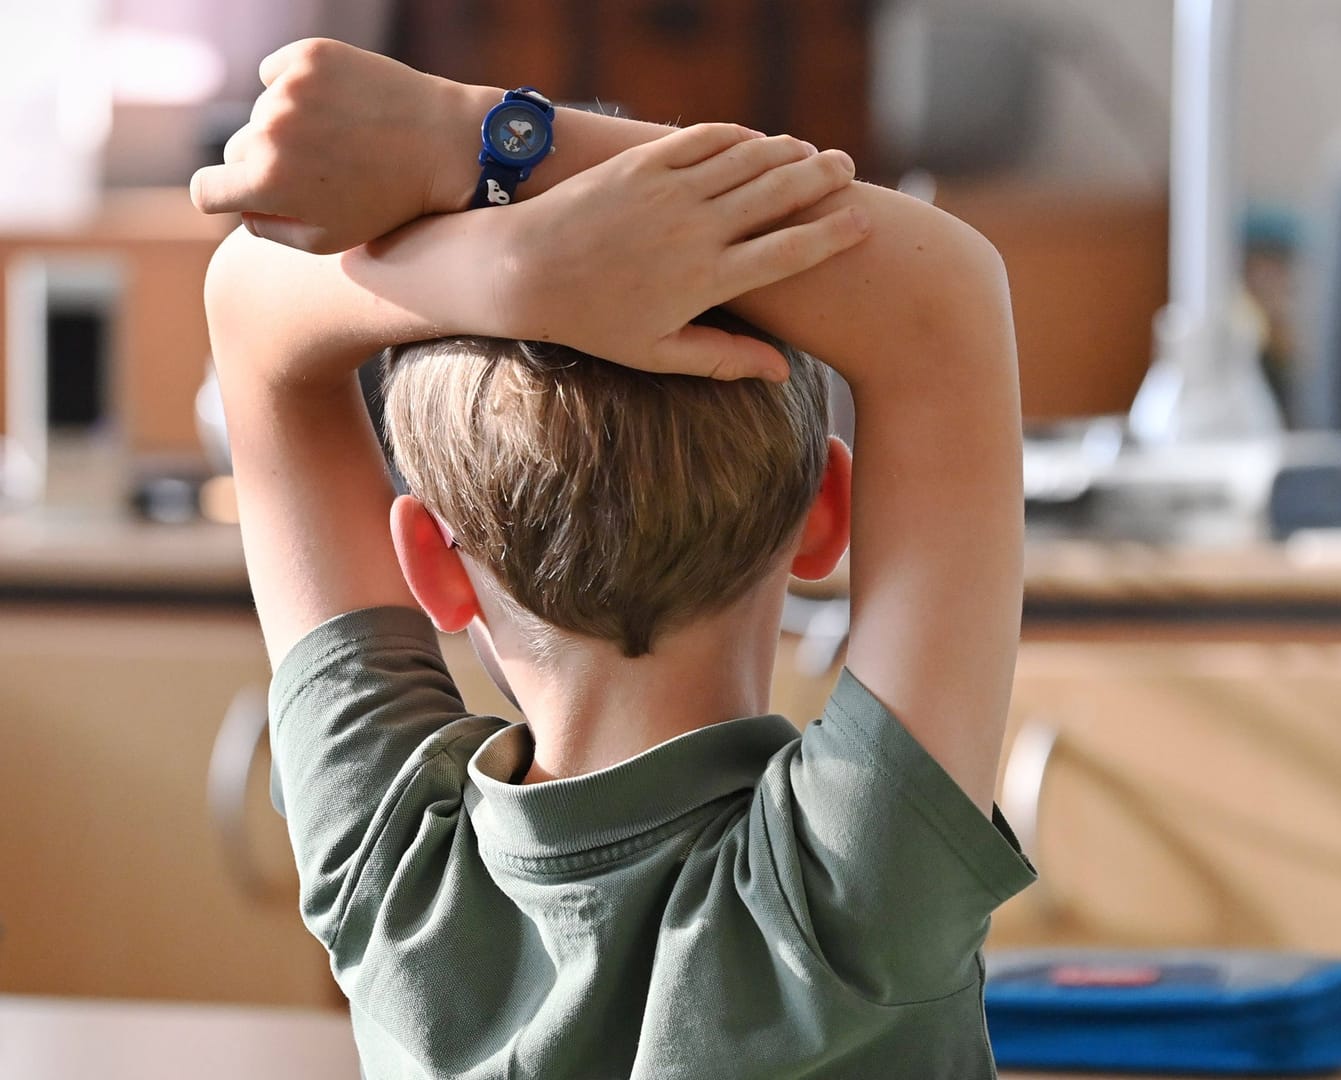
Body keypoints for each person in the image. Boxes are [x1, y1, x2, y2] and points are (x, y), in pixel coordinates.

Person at [194, 38, 1032, 1079]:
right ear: (828, 510)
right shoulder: (855, 891)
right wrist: (469, 142)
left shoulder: (394, 870)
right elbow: (944, 287)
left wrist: (506, 268)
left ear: (433, 562)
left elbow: (247, 298)